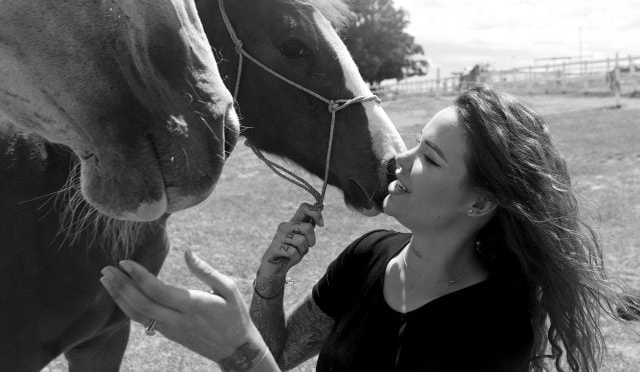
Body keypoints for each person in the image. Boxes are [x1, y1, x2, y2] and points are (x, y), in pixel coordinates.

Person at [100, 85, 631, 372]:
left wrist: (235, 352)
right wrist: (270, 281)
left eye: (430, 156)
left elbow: (257, 360)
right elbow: (280, 357)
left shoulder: (492, 332)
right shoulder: (370, 255)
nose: (398, 158)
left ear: (479, 204)